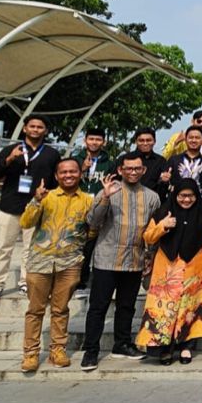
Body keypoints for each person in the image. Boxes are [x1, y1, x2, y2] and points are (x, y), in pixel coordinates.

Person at [81, 152, 162, 371]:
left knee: (126, 306)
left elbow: (152, 231)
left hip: (135, 259)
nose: (133, 172)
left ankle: (122, 344)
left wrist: (150, 256)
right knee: (98, 307)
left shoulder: (152, 197)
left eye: (137, 168)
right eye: (128, 168)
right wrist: (105, 198)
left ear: (144, 170)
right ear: (120, 170)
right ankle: (91, 350)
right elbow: (92, 221)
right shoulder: (108, 191)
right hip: (107, 259)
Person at [18, 158, 93, 372]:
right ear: (57, 176)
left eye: (73, 171)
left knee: (61, 309)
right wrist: (36, 201)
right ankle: (30, 354)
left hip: (69, 262)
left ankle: (58, 350)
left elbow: (92, 229)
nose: (68, 175)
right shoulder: (46, 197)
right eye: (64, 172)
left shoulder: (87, 201)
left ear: (80, 174)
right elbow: (26, 222)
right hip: (40, 261)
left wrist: (75, 244)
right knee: (35, 309)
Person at [135, 179, 202, 365]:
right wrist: (163, 226)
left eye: (191, 196)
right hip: (167, 269)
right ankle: (164, 349)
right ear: (175, 195)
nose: (186, 200)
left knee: (189, 308)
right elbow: (148, 237)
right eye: (182, 196)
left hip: (193, 268)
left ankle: (186, 347)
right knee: (164, 310)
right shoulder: (163, 212)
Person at [0, 114, 60, 302]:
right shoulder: (11, 149)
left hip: (36, 207)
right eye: (32, 126)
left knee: (31, 249)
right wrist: (10, 159)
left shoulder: (51, 154)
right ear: (25, 128)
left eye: (40, 127)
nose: (35, 130)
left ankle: (26, 281)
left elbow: (55, 181)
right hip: (10, 206)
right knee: (3, 247)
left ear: (45, 131)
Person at [71, 128, 112, 299]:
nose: (94, 142)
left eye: (98, 139)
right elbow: (67, 179)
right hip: (77, 207)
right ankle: (77, 280)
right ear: (85, 140)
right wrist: (82, 169)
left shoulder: (108, 163)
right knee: (78, 246)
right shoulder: (75, 159)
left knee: (94, 246)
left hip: (99, 208)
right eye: (91, 139)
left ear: (103, 142)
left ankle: (91, 281)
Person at [159, 125, 202, 215]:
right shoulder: (174, 160)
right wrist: (163, 179)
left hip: (198, 207)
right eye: (191, 137)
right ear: (185, 140)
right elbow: (163, 181)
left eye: (197, 138)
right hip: (175, 206)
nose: (194, 140)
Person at [132, 127, 167, 192]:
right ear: (136, 141)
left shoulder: (161, 161)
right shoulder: (125, 159)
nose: (145, 143)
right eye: (141, 140)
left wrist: (165, 181)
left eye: (148, 140)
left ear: (154, 141)